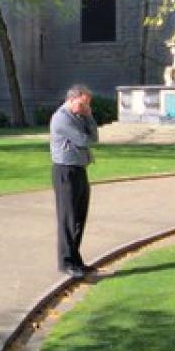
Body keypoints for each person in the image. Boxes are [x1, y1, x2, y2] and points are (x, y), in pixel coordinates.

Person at [49, 84, 99, 279]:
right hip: (65, 171)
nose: (84, 108)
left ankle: (76, 259)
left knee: (79, 216)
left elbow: (94, 136)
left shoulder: (80, 116)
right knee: (68, 218)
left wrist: (88, 115)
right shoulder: (61, 118)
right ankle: (66, 262)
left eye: (87, 105)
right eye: (82, 104)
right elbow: (84, 141)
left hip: (79, 169)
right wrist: (87, 118)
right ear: (71, 99)